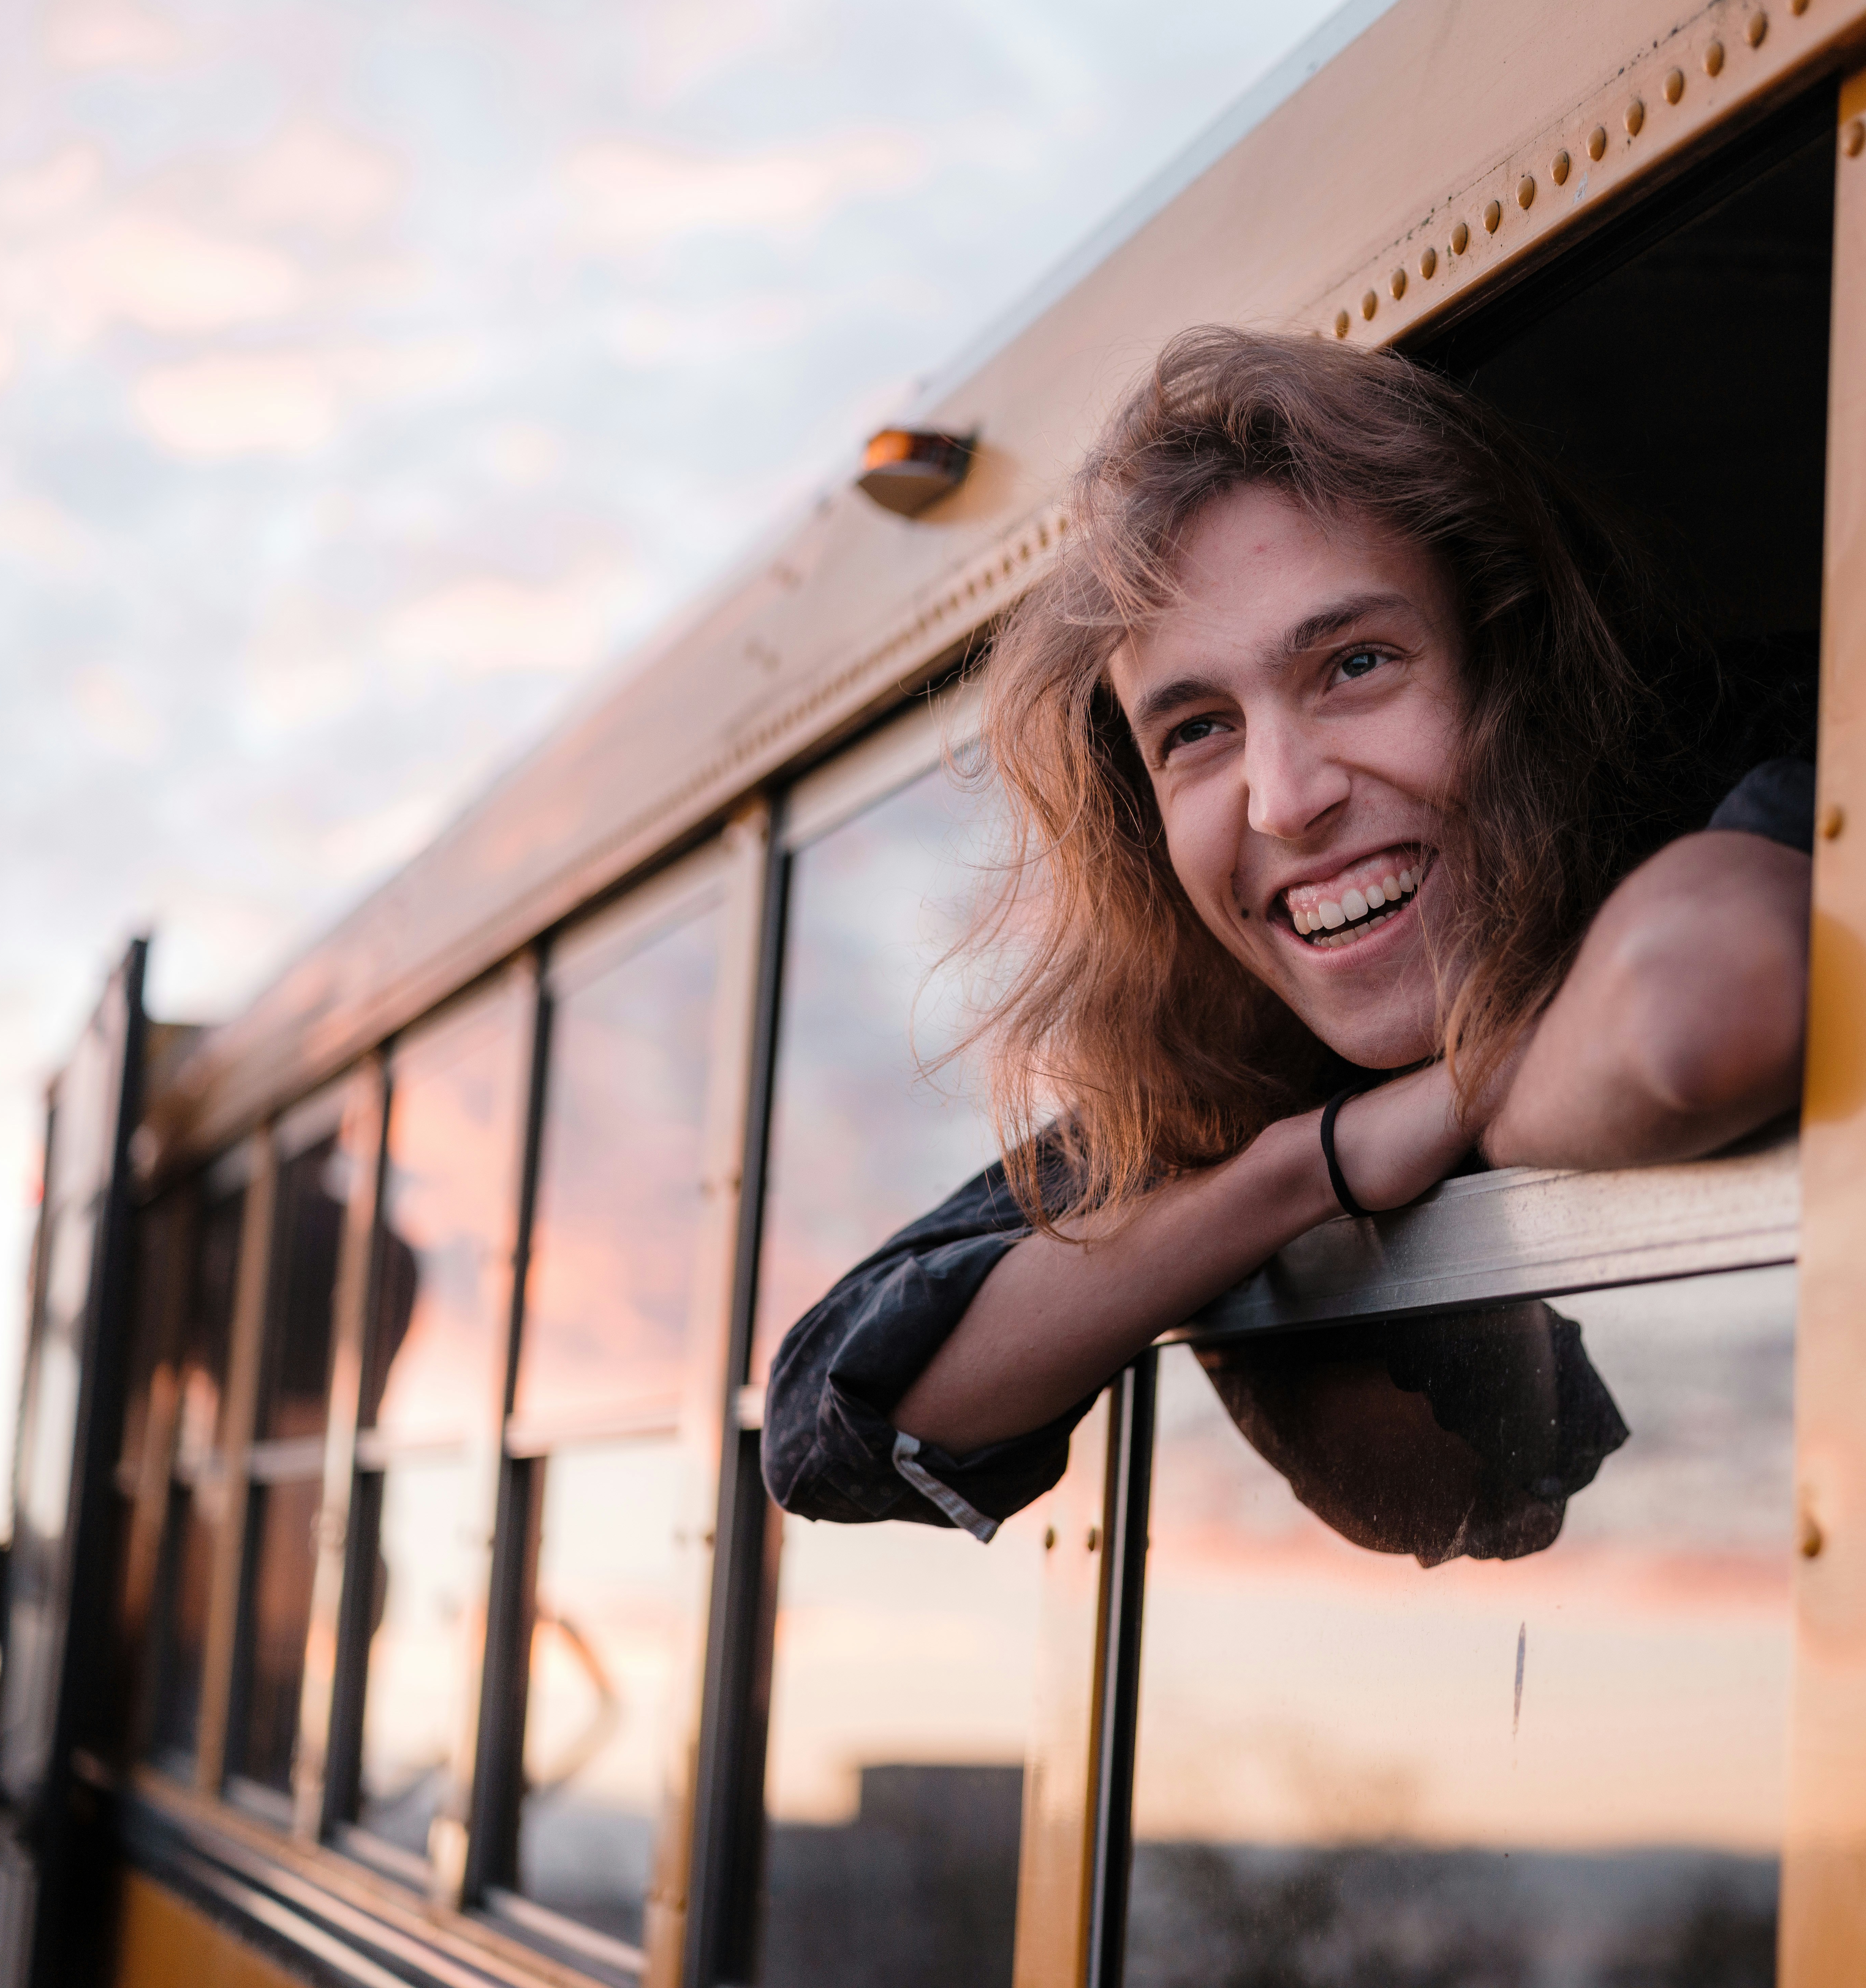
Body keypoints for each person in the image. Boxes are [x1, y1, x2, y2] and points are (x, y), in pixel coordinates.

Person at [764, 325, 1813, 1557]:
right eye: (1198, 729)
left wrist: (1469, 1103)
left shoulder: (1738, 794)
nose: (1283, 797)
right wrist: (1313, 1166)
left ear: (1510, 673)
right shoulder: (1238, 1070)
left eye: (1356, 665)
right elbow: (827, 1417)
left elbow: (1704, 1007)